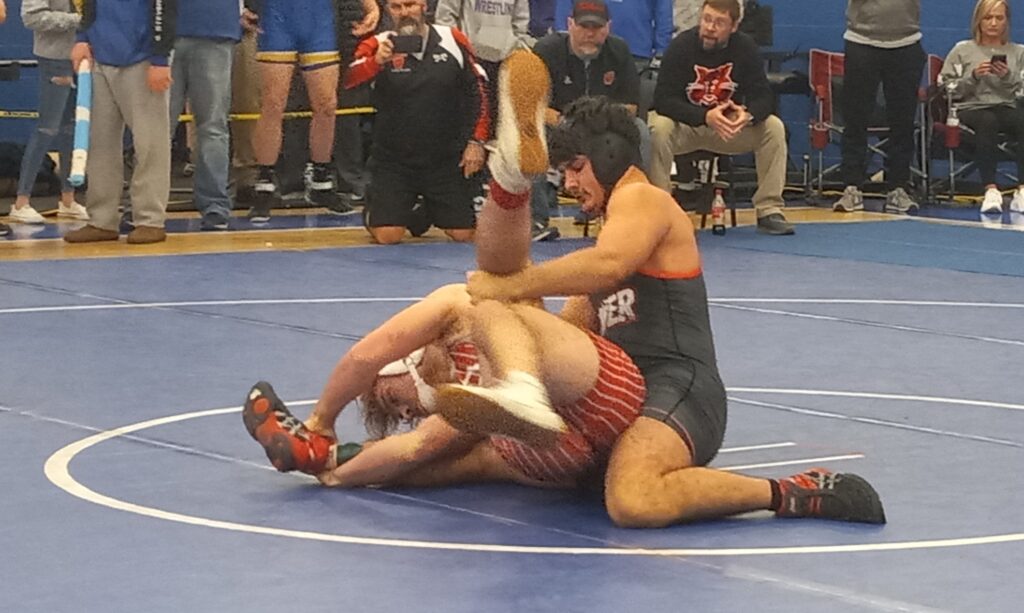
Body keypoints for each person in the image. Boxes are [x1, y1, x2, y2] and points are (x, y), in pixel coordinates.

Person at [460, 88, 885, 526]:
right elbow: (570, 330)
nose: (569, 185)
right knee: (496, 449)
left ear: (608, 156)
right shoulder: (611, 232)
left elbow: (609, 266)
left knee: (633, 500)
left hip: (681, 388)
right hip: (626, 395)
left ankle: (790, 491)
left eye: (576, 169)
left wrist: (508, 285)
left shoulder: (644, 200)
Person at [342, 0, 488, 244]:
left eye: (410, 5)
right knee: (388, 236)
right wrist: (375, 62)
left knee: (464, 235)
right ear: (389, 11)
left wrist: (477, 141)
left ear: (424, 6)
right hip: (394, 160)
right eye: (397, 7)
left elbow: (479, 93)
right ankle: (378, 206)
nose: (405, 12)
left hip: (444, 158)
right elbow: (348, 81)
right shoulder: (378, 43)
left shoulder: (452, 39)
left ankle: (425, 210)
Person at [648, 0, 794, 235]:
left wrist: (747, 115)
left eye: (719, 22)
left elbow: (764, 97)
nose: (710, 27)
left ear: (734, 26)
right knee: (657, 127)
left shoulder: (745, 48)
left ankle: (769, 209)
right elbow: (663, 100)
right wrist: (704, 116)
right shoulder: (681, 46)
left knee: (773, 127)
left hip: (726, 130)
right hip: (687, 128)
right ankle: (661, 211)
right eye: (706, 19)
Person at [242, 0, 379, 222]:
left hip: (319, 18)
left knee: (327, 104)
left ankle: (321, 181)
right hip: (278, 16)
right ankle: (264, 184)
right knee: (273, 103)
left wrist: (370, 6)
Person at [64, 0, 177, 245]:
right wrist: (82, 36)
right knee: (100, 142)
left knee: (150, 143)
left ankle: (149, 219)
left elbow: (164, 6)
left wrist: (159, 58)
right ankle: (101, 219)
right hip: (100, 54)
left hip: (142, 56)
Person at [531, 0, 647, 236]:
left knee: (642, 131)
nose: (590, 34)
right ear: (570, 24)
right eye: (584, 27)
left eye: (597, 27)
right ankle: (536, 219)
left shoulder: (619, 50)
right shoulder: (546, 50)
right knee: (527, 132)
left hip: (602, 129)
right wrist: (570, 124)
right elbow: (534, 105)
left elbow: (631, 107)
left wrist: (596, 124)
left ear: (608, 27)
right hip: (557, 124)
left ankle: (631, 211)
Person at [832, 0, 925, 215]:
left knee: (903, 121)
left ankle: (898, 188)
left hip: (907, 42)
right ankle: (852, 187)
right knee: (855, 119)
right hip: (861, 41)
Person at [9, 0, 90, 226]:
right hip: (55, 58)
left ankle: (68, 198)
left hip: (84, 56)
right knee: (47, 128)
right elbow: (31, 17)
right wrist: (78, 20)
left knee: (70, 130)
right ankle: (21, 202)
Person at [941, 0, 1024, 215]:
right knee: (987, 121)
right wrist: (973, 77)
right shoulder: (962, 50)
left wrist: (1007, 76)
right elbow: (946, 89)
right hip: (971, 107)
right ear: (979, 20)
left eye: (999, 18)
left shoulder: (1018, 52)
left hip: (1005, 104)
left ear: (1007, 21)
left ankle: (1022, 190)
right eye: (988, 17)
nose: (994, 23)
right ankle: (990, 189)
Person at [168, 0, 244, 231]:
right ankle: (142, 206)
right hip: (161, 33)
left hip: (215, 27)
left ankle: (215, 206)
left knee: (213, 127)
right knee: (155, 128)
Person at [555, 0, 673, 74]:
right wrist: (564, 45)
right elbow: (564, 14)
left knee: (629, 107)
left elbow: (664, 14)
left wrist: (661, 51)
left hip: (636, 53)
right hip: (585, 50)